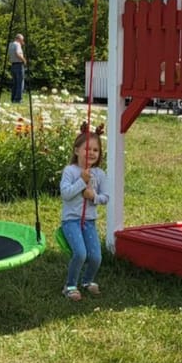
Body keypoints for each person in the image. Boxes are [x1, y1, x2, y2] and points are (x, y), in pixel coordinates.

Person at [60, 122, 108, 301]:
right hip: (71, 221)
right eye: (87, 149)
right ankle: (70, 286)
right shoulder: (70, 171)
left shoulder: (100, 174)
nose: (92, 153)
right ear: (76, 150)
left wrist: (93, 196)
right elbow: (66, 194)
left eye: (96, 150)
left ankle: (87, 281)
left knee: (96, 257)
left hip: (89, 221)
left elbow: (105, 198)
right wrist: (81, 181)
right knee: (80, 253)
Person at [8, 32, 27, 103]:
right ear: (19, 39)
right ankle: (18, 99)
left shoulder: (10, 44)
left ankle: (13, 98)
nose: (23, 41)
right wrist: (24, 60)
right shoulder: (17, 44)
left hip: (13, 65)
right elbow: (17, 53)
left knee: (15, 83)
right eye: (22, 40)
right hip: (19, 64)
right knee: (20, 82)